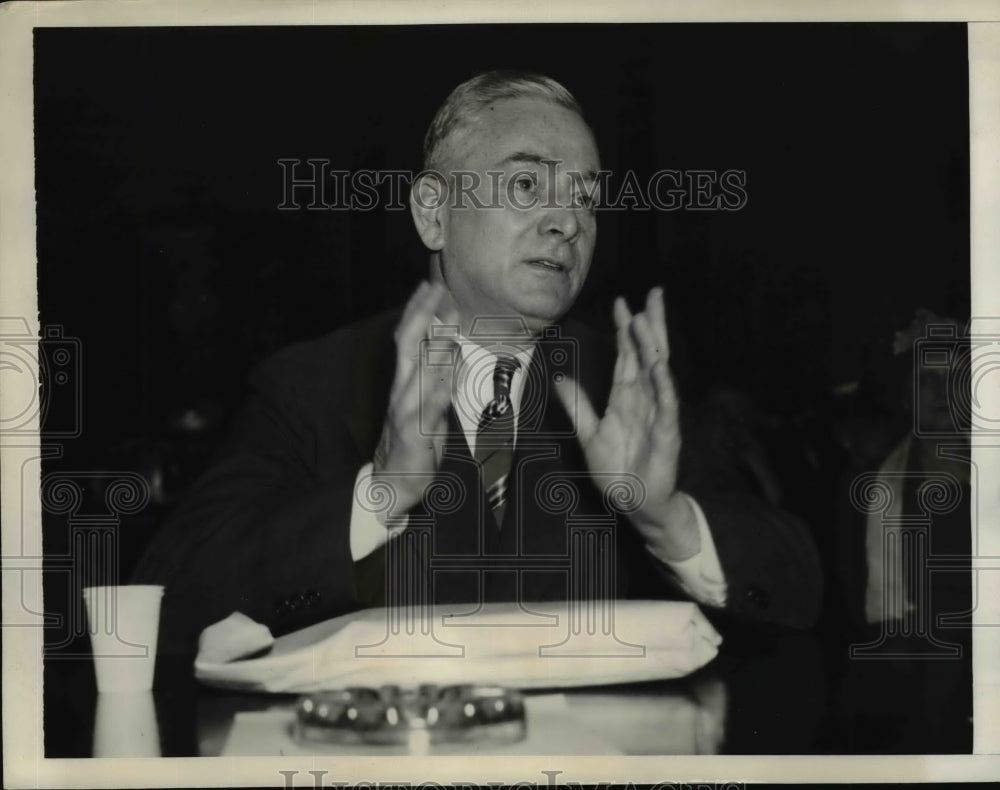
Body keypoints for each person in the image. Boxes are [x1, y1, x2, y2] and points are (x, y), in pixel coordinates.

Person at [134, 70, 822, 655]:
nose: (568, 222)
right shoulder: (311, 384)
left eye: (585, 197)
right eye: (527, 185)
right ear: (433, 214)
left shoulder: (624, 380)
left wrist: (665, 518)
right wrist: (381, 493)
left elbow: (799, 588)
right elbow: (164, 601)